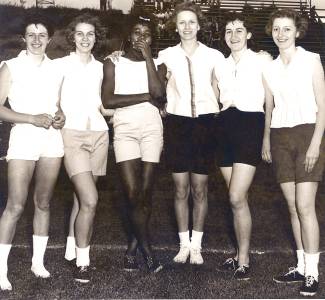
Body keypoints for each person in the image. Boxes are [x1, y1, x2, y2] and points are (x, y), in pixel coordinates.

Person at [262, 8, 325, 297]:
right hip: (279, 136)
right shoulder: (269, 68)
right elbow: (269, 107)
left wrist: (315, 144)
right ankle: (300, 266)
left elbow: (323, 107)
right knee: (291, 206)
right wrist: (266, 140)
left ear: (297, 31)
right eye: (276, 29)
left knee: (305, 206)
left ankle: (313, 273)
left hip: (307, 134)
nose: (281, 34)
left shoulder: (311, 61)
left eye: (287, 29)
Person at [0, 13, 65, 290]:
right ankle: (1, 269)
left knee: (44, 202)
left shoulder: (57, 69)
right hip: (23, 137)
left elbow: (58, 105)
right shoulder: (10, 67)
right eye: (31, 35)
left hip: (52, 139)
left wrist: (61, 115)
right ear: (23, 38)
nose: (37, 40)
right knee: (15, 204)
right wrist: (31, 119)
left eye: (42, 35)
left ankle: (38, 263)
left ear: (49, 39)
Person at [157, 2, 224, 265]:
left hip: (205, 125)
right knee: (180, 188)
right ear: (176, 27)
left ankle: (197, 246)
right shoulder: (165, 54)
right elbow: (145, 74)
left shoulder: (214, 56)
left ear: (199, 25)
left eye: (191, 22)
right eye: (182, 22)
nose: (187, 27)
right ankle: (183, 245)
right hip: (177, 124)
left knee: (200, 188)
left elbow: (226, 82)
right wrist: (118, 54)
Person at [101, 15, 166, 273]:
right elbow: (108, 100)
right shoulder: (113, 62)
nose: (141, 37)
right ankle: (148, 253)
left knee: (146, 194)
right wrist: (144, 97)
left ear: (152, 39)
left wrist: (149, 56)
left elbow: (160, 95)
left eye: (146, 33)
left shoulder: (159, 64)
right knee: (132, 194)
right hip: (125, 130)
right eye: (136, 32)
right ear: (128, 36)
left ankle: (131, 249)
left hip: (152, 131)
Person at [55, 14, 112, 283]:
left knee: (81, 197)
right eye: (80, 34)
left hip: (100, 134)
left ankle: (70, 246)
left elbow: (106, 105)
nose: (85, 38)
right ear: (72, 37)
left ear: (96, 37)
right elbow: (50, 99)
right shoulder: (60, 66)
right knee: (90, 199)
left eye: (90, 34)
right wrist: (56, 112)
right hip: (72, 135)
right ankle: (83, 262)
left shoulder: (103, 67)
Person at [215, 12, 272, 280]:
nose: (234, 35)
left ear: (248, 34)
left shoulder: (262, 60)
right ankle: (238, 253)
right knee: (237, 199)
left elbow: (269, 102)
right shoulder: (219, 64)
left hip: (251, 124)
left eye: (239, 30)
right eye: (229, 31)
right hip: (226, 125)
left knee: (236, 197)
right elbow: (215, 96)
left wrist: (266, 137)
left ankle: (245, 259)